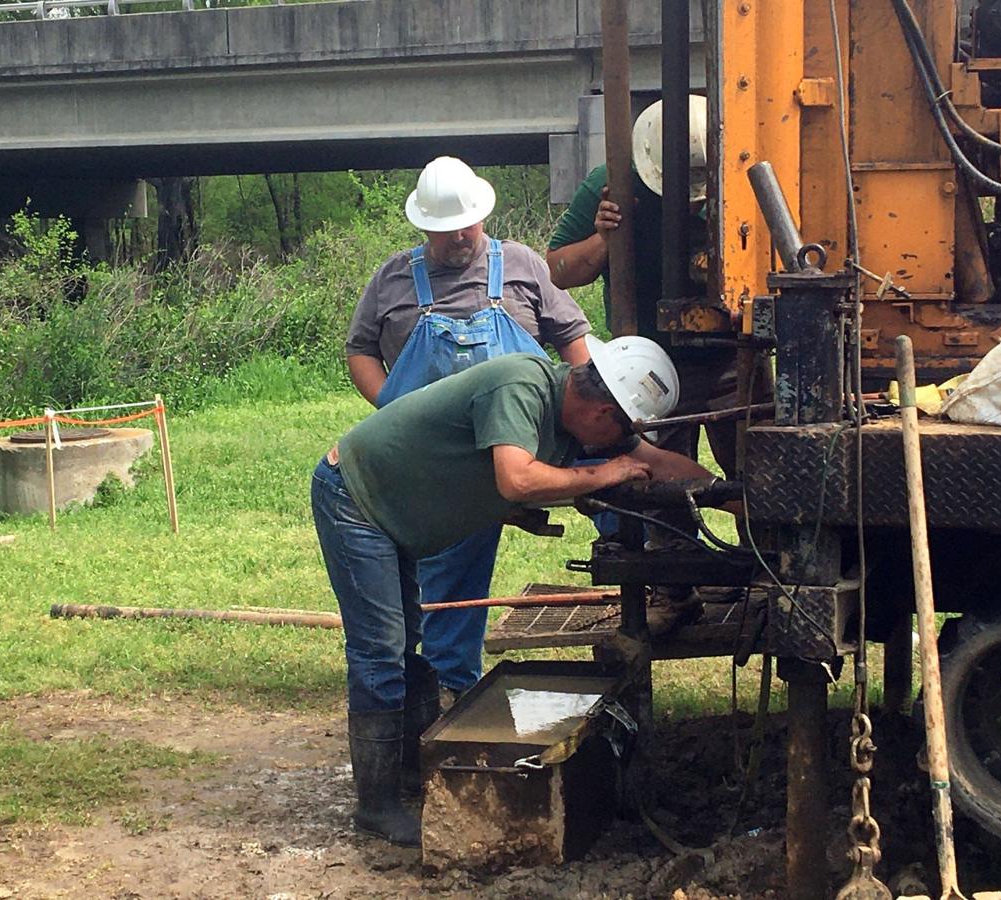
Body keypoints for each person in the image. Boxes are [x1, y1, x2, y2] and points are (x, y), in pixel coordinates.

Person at [312, 336, 715, 847]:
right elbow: (516, 480)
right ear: (599, 411)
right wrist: (599, 475)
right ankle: (376, 806)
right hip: (356, 497)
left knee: (404, 641)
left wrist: (728, 494)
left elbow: (653, 461)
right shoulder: (522, 385)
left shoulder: (582, 419)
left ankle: (412, 775)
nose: (621, 442)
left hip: (401, 512)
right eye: (622, 428)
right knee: (380, 650)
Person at [345, 156, 592, 703]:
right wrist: (389, 403)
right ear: (423, 227)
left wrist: (593, 404)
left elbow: (574, 339)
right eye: (446, 229)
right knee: (448, 572)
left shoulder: (523, 266)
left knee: (616, 481)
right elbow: (360, 350)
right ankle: (450, 685)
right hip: (444, 464)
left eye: (469, 224)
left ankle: (661, 590)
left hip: (531, 442)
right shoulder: (392, 279)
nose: (460, 236)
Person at [546, 97, 747, 479]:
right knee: (656, 479)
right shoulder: (614, 184)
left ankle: (762, 536)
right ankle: (667, 541)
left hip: (733, 355)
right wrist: (603, 240)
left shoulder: (740, 182)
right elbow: (558, 272)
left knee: (756, 472)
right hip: (649, 360)